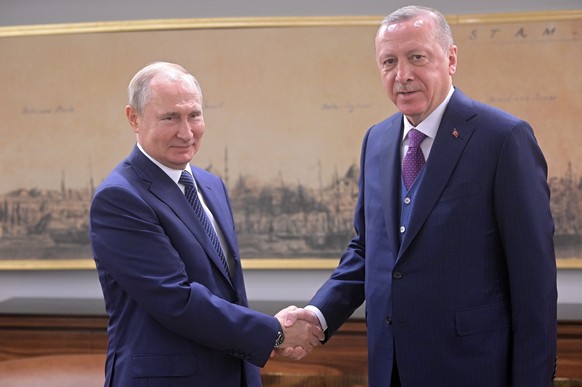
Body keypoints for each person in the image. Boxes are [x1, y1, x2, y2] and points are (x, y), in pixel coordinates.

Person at [281, 5, 557, 386]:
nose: (403, 75)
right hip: (389, 370)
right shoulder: (375, 141)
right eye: (389, 62)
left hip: (474, 372)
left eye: (417, 58)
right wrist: (319, 313)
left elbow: (534, 284)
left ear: (451, 58)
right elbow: (368, 250)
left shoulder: (503, 139)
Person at [89, 61, 323, 387]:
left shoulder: (210, 185)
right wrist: (275, 333)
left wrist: (268, 338)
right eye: (170, 117)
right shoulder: (119, 198)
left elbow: (226, 295)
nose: (186, 132)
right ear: (133, 118)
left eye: (194, 115)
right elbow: (177, 300)